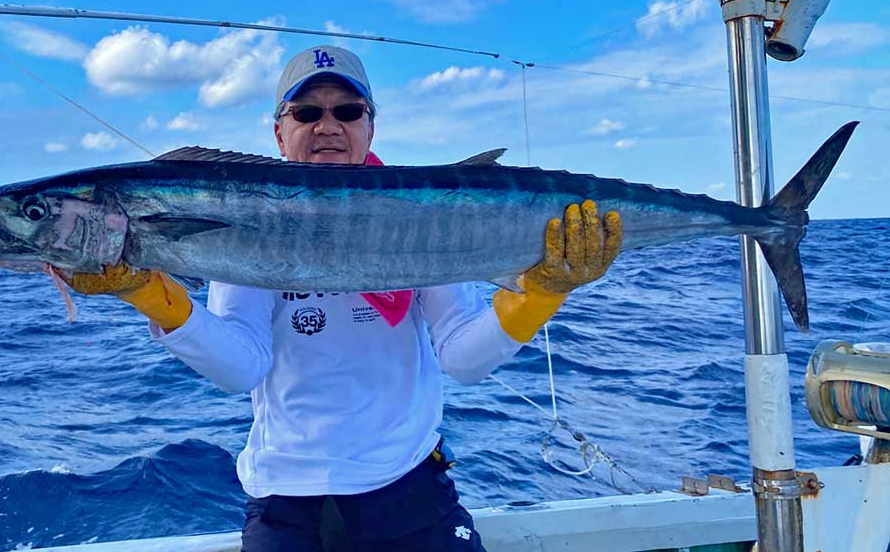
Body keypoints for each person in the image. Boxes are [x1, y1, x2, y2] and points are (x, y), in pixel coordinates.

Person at [63, 45, 622, 552]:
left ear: (370, 128)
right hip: (285, 501)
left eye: (347, 111)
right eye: (307, 112)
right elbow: (241, 367)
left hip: (411, 489)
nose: (327, 125)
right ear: (280, 133)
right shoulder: (247, 213)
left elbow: (462, 358)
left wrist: (543, 293)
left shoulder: (422, 211)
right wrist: (149, 294)